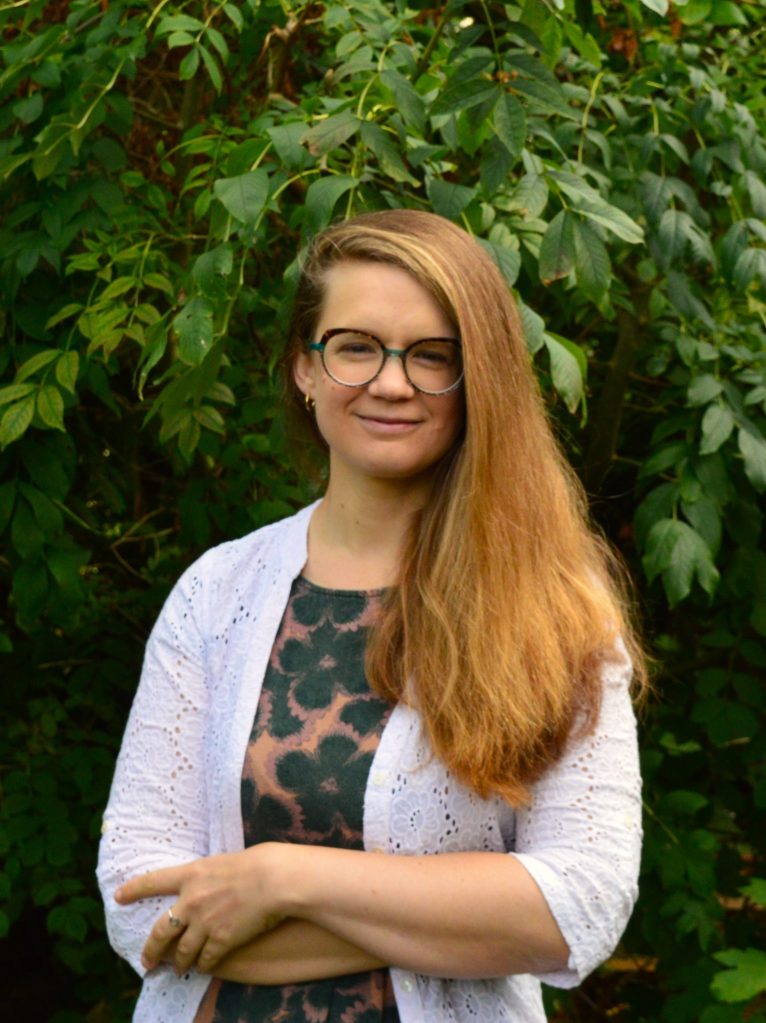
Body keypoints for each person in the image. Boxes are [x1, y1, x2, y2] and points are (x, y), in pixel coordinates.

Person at [97, 209, 646, 1023]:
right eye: (356, 347)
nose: (392, 383)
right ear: (305, 367)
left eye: (433, 355)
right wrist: (444, 921)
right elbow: (137, 900)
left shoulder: (555, 610)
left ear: (478, 379)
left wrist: (286, 879)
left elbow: (579, 904)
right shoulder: (215, 593)